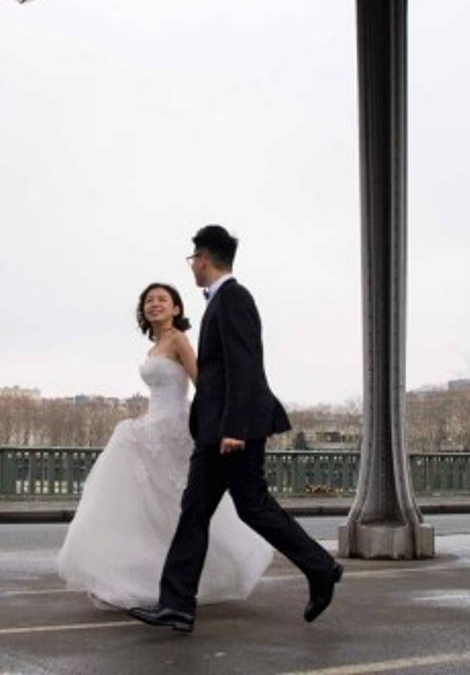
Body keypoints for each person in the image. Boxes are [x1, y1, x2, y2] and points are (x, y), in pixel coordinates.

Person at [128, 225, 343, 634]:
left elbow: (245, 366)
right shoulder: (222, 302)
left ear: (202, 261)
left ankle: (321, 567)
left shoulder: (233, 299)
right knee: (201, 512)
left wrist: (235, 428)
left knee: (250, 507)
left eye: (193, 260)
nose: (192, 267)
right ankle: (176, 605)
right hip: (217, 430)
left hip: (231, 432)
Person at [55, 281, 273, 609]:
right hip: (152, 427)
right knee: (155, 508)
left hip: (174, 430)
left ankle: (185, 577)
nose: (154, 304)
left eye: (162, 299)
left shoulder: (179, 340)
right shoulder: (155, 347)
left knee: (176, 507)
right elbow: (159, 395)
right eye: (149, 300)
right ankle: (153, 576)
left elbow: (204, 384)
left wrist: (213, 426)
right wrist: (144, 420)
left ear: (176, 308)